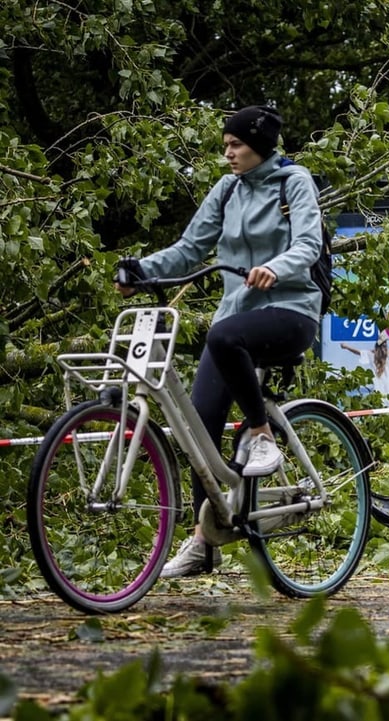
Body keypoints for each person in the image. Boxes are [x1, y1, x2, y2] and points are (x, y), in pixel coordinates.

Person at [116, 105, 327, 578]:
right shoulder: (227, 189)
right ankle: (204, 543)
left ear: (260, 145)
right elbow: (191, 248)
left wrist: (277, 267)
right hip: (235, 318)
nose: (227, 153)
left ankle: (260, 434)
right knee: (196, 425)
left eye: (235, 145)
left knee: (222, 335)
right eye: (226, 145)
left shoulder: (294, 183)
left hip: (290, 310)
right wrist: (141, 268)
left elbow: (308, 245)